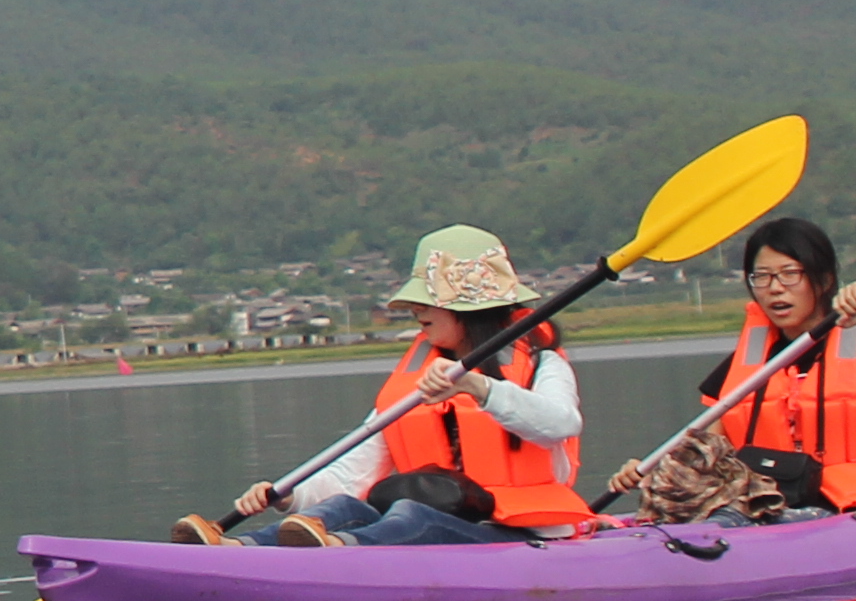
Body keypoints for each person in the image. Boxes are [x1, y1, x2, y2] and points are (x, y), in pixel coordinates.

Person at [182, 225, 590, 548]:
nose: (414, 310)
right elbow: (352, 475)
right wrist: (287, 496)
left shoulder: (542, 362)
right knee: (343, 507)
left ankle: (340, 551)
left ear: (469, 306)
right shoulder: (417, 379)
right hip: (436, 523)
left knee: (410, 517)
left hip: (521, 535)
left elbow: (559, 424)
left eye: (427, 300)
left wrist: (479, 388)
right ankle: (244, 549)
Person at [645, 212, 856, 513]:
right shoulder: (751, 361)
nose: (775, 288)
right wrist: (650, 471)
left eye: (790, 273)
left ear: (824, 279)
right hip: (769, 503)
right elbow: (705, 443)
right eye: (762, 276)